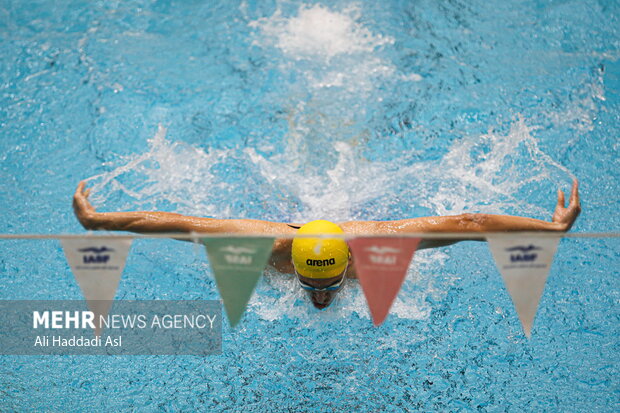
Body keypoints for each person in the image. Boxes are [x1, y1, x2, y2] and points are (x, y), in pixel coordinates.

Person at [73, 180, 581, 309]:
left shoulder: (377, 247)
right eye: (310, 283)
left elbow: (470, 223)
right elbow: (177, 222)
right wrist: (98, 222)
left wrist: (550, 228)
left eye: (331, 284)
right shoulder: (267, 245)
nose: (320, 298)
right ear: (290, 259)